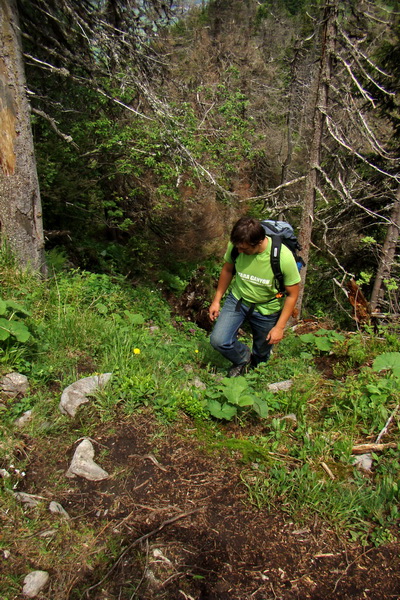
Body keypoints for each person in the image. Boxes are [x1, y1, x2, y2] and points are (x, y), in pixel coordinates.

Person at [209, 216, 301, 377]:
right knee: (218, 340)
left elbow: (292, 295)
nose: (239, 251)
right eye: (238, 247)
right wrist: (217, 300)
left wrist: (279, 328)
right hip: (238, 300)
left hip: (267, 309)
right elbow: (227, 270)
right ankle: (243, 358)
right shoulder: (237, 244)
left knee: (261, 353)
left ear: (259, 242)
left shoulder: (283, 258)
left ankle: (255, 377)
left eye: (244, 249)